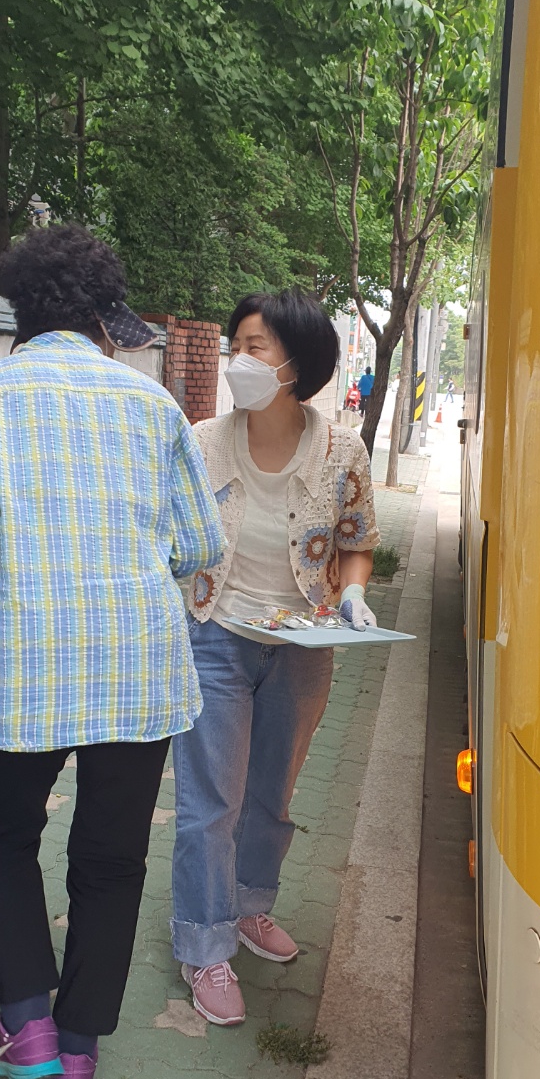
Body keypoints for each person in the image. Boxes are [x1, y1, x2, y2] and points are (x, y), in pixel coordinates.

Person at [0, 225, 225, 1079]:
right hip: (139, 675)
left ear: (18, 313)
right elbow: (199, 542)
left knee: (2, 835)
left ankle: (25, 1017)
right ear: (106, 320)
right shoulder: (154, 406)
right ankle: (77, 1054)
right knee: (112, 858)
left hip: (20, 672)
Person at [173, 289, 381, 1025]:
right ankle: (203, 943)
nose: (239, 359)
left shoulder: (341, 451)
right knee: (211, 802)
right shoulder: (200, 442)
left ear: (298, 362)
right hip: (215, 637)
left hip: (301, 646)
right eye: (236, 344)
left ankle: (248, 906)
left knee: (272, 794)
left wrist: (353, 595)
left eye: (255, 347)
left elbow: (357, 541)